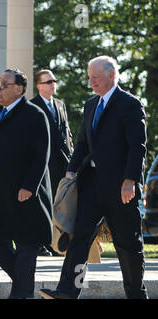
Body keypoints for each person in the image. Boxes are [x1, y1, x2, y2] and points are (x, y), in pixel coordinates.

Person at [39, 56, 148, 299]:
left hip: (121, 188)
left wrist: (130, 180)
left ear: (111, 75)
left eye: (96, 78)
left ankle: (136, 294)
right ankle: (67, 291)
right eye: (89, 78)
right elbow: (82, 144)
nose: (92, 83)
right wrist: (71, 170)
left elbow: (137, 146)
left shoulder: (129, 104)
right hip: (92, 185)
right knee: (79, 239)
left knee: (127, 245)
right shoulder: (90, 105)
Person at [0, 68, 53, 299]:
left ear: (20, 89)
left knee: (27, 245)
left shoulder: (34, 114)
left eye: (4, 84)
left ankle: (21, 294)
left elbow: (41, 154)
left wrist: (29, 186)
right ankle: (24, 285)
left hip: (24, 196)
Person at [31, 70, 73, 257]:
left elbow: (67, 134)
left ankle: (59, 244)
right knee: (44, 204)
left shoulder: (60, 105)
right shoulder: (32, 106)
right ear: (39, 86)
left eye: (54, 81)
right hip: (43, 163)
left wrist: (72, 159)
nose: (53, 84)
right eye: (48, 82)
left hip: (62, 163)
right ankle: (43, 243)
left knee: (61, 204)